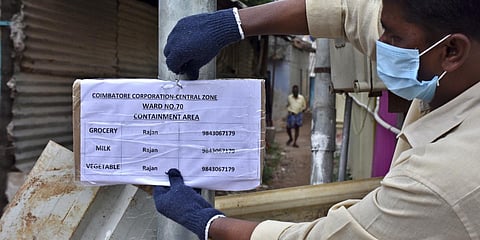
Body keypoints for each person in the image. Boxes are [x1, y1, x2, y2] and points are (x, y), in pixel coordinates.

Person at [156, 0, 480, 239]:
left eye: (393, 38)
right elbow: (346, 11)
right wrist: (234, 24)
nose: (380, 45)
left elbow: (326, 237)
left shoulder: (446, 177)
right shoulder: (443, 41)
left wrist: (207, 222)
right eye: (383, 29)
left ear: (452, 51)